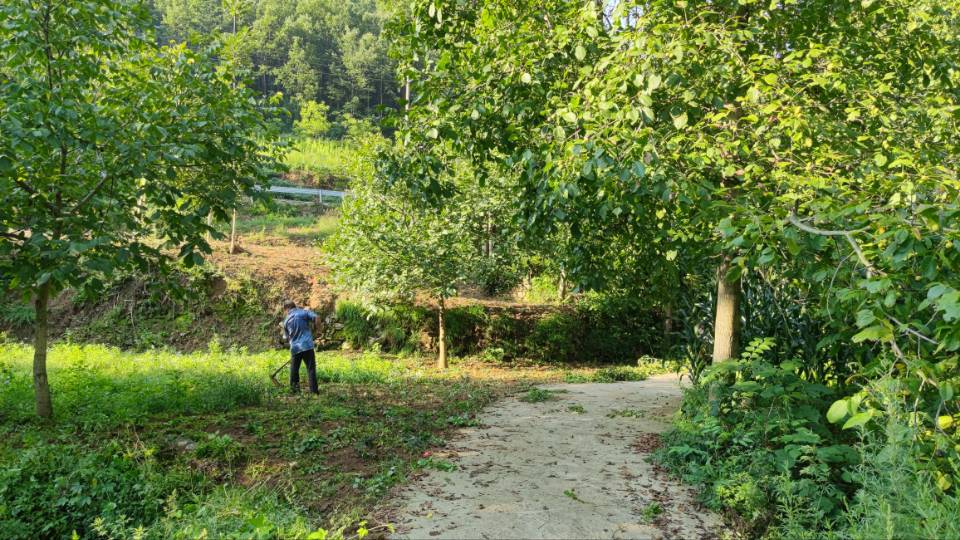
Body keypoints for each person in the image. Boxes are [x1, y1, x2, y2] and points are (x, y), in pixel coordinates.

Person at [281, 300, 319, 394]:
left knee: (294, 370)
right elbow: (316, 317)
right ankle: (314, 392)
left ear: (286, 309)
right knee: (310, 369)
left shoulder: (286, 321)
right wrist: (319, 330)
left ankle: (295, 391)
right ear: (294, 306)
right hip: (307, 345)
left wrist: (284, 331)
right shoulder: (304, 312)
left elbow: (285, 338)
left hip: (295, 348)